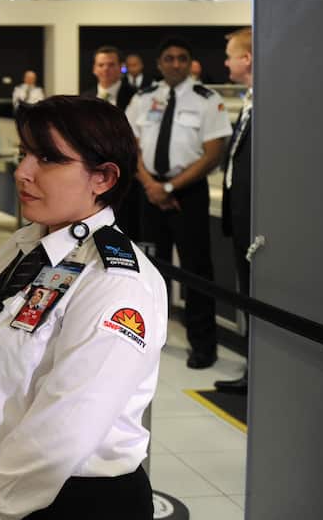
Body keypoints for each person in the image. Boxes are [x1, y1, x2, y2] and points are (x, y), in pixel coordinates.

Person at [0, 96, 166, 520]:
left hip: (69, 503)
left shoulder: (116, 282)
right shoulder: (28, 245)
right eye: (24, 153)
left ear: (102, 177)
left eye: (48, 158)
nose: (23, 172)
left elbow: (63, 431)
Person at [126, 38, 230, 369]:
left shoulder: (206, 99)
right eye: (168, 58)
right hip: (150, 191)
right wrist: (152, 185)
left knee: (197, 270)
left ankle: (203, 345)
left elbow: (214, 154)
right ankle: (151, 337)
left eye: (182, 58)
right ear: (159, 64)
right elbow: (132, 147)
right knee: (150, 270)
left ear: (189, 63)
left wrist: (170, 186)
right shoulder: (144, 99)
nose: (175, 64)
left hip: (188, 194)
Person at [215, 28, 253, 394]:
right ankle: (251, 368)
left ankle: (257, 372)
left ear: (248, 59)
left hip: (257, 225)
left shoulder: (270, 103)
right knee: (247, 296)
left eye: (230, 54)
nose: (225, 61)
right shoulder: (250, 100)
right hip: (241, 220)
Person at [93, 46, 140, 237]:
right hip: (93, 176)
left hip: (128, 179)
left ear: (121, 67)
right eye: (101, 65)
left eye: (111, 65)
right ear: (94, 69)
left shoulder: (137, 96)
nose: (106, 69)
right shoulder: (84, 98)